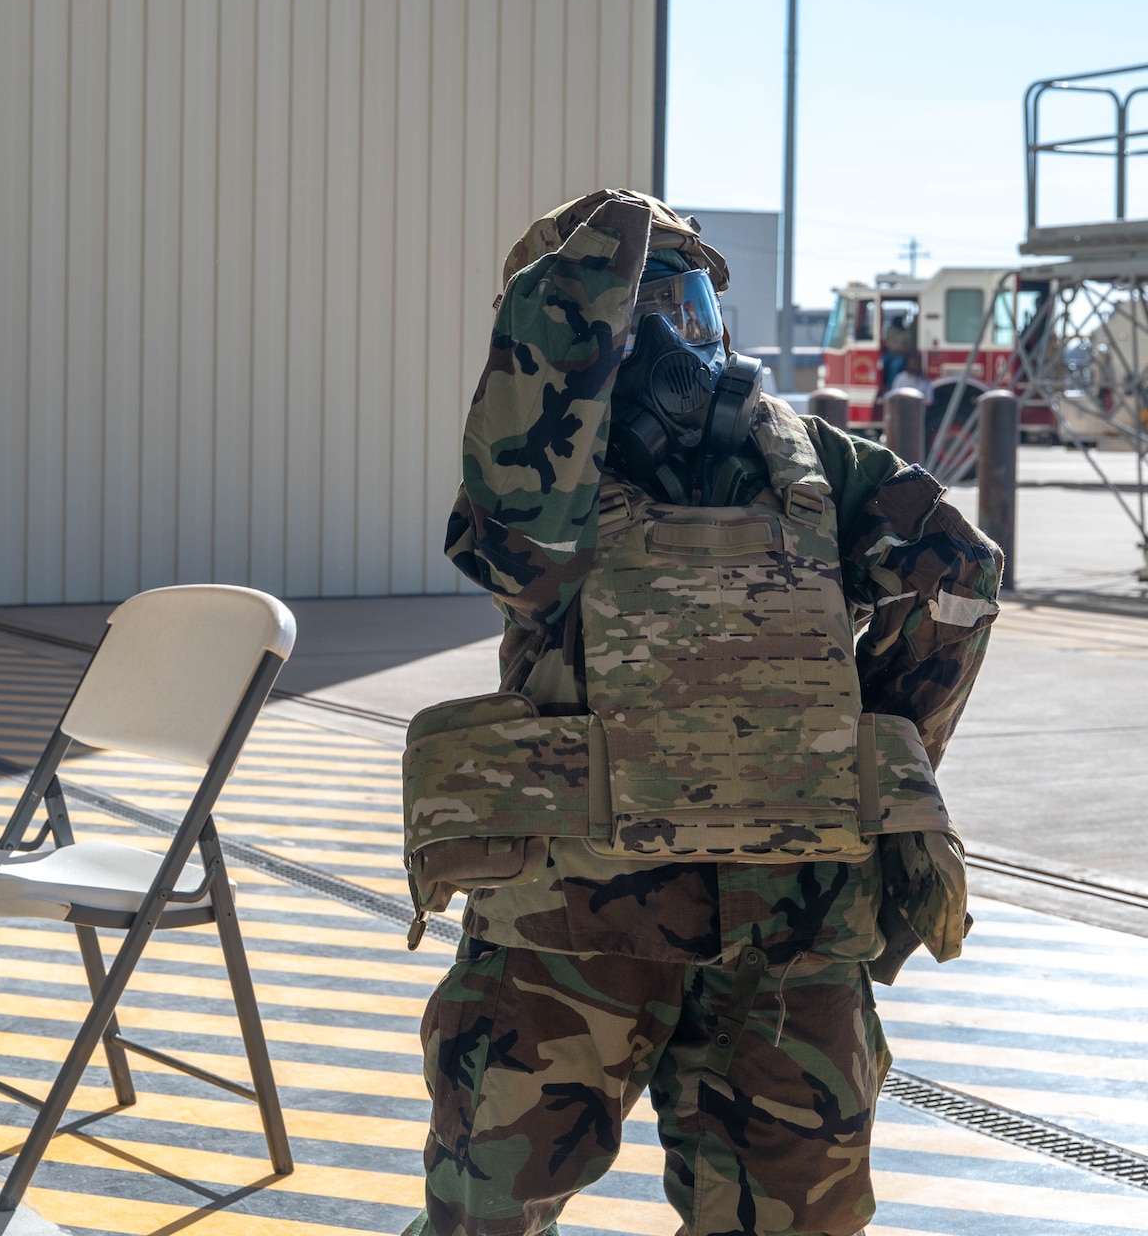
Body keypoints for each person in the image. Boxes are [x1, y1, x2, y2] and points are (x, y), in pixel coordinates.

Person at [412, 189, 1000, 1236]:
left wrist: (852, 757)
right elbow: (956, 578)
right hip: (647, 919)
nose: (678, 345)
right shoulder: (549, 482)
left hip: (629, 917)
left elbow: (956, 575)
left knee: (496, 1210)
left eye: (688, 308)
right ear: (566, 335)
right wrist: (867, 744)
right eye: (637, 316)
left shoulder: (795, 463)